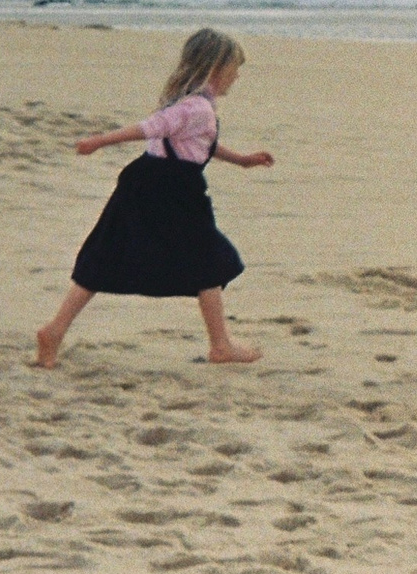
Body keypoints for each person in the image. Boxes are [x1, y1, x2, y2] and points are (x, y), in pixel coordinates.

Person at [34, 29, 275, 369]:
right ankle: (221, 345)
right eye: (234, 68)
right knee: (211, 259)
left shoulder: (188, 103)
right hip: (175, 192)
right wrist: (100, 141)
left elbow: (198, 145)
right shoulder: (197, 108)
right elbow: (148, 128)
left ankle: (55, 330)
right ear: (214, 68)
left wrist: (242, 160)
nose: (237, 76)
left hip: (144, 184)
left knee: (103, 257)